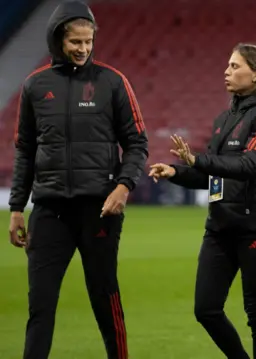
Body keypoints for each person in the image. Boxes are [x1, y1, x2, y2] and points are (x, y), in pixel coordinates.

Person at [7, 1, 149, 358]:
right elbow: (24, 150)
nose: (83, 49)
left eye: (88, 41)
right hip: (49, 211)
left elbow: (136, 144)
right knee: (40, 306)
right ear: (58, 40)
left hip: (99, 210)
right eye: (75, 42)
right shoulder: (35, 87)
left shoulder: (113, 82)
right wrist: (16, 208)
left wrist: (123, 185)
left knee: (105, 300)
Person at [149, 43, 256, 359]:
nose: (226, 72)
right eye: (227, 65)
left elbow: (249, 165)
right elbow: (213, 175)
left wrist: (199, 161)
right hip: (220, 225)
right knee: (206, 309)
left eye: (234, 66)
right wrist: (176, 171)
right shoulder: (225, 118)